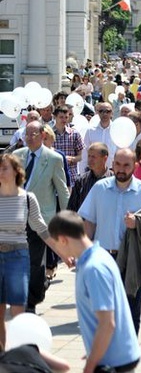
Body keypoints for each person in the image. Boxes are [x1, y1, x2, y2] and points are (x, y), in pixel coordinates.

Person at [78, 148, 141, 335]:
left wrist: (138, 223)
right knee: (103, 311)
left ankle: (129, 355)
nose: (121, 169)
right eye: (118, 164)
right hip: (103, 259)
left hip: (132, 261)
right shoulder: (100, 189)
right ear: (112, 164)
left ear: (135, 166)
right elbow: (89, 222)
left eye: (126, 165)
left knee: (131, 311)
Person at [48, 210, 141, 373]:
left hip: (114, 362)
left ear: (63, 240)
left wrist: (90, 364)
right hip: (112, 355)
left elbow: (107, 323)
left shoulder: (93, 268)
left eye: (55, 244)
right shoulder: (99, 255)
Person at [0, 154, 68, 347]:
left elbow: (42, 230)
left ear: (16, 171)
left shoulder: (28, 199)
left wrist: (64, 254)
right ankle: (4, 355)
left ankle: (21, 352)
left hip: (17, 257)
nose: (0, 172)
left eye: (4, 168)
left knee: (18, 311)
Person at [13, 121, 70, 314]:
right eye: (26, 134)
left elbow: (62, 191)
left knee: (35, 262)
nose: (28, 138)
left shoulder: (53, 159)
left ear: (42, 135)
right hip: (15, 219)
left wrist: (66, 219)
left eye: (33, 134)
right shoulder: (16, 156)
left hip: (40, 220)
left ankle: (31, 300)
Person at [67, 143, 113, 213]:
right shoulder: (81, 181)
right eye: (89, 156)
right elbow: (72, 209)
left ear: (105, 159)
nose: (90, 160)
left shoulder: (114, 180)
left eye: (93, 157)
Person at [52, 105, 84, 187]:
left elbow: (81, 156)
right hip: (53, 174)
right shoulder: (49, 134)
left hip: (71, 175)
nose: (64, 120)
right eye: (61, 117)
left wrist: (72, 159)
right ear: (55, 117)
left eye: (66, 117)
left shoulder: (75, 134)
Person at [83, 102, 115, 169]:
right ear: (98, 113)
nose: (104, 114)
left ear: (112, 113)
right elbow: (85, 152)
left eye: (108, 111)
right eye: (101, 111)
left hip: (112, 170)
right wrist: (83, 171)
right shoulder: (90, 131)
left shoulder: (117, 130)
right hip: (93, 170)